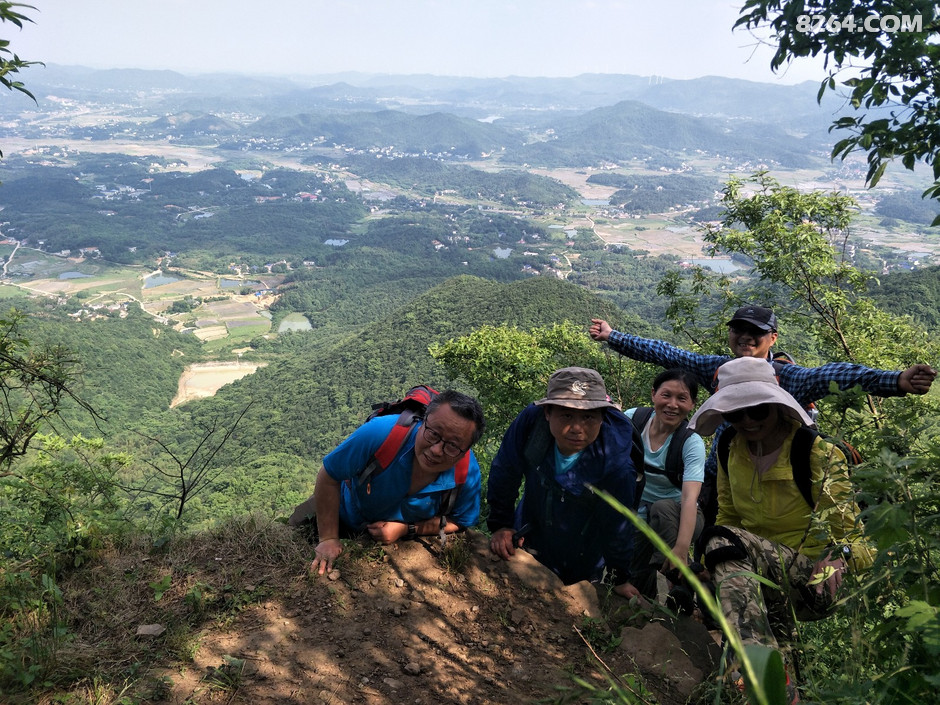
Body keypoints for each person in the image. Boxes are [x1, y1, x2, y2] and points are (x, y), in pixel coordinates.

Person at [590, 305, 937, 523]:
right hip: (724, 474)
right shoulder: (719, 369)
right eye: (738, 329)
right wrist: (613, 336)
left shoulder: (787, 376)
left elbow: (835, 375)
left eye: (755, 332)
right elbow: (666, 354)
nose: (745, 337)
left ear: (772, 337)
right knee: (715, 535)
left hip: (781, 483)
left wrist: (894, 381)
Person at [688, 357, 874, 698]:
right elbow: (728, 515)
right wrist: (713, 568)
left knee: (720, 544)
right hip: (759, 578)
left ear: (776, 406)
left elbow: (856, 540)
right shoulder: (730, 447)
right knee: (726, 553)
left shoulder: (817, 453)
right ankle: (784, 690)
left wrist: (840, 556)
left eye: (757, 410)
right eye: (734, 413)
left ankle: (753, 674)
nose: (746, 421)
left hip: (815, 584)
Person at [487, 367, 640, 598]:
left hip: (582, 552)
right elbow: (505, 470)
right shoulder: (532, 424)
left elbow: (618, 522)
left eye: (588, 417)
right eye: (566, 415)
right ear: (547, 412)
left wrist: (619, 576)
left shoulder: (615, 464)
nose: (577, 428)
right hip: (530, 530)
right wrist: (501, 525)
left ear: (603, 417)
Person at [308, 390, 485, 575]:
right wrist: (328, 538)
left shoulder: (466, 473)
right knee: (298, 526)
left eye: (453, 446)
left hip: (392, 541)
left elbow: (459, 520)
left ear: (465, 451)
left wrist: (407, 529)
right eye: (433, 433)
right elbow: (329, 475)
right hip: (342, 512)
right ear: (423, 422)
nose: (436, 450)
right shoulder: (380, 433)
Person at [627, 369, 706, 601]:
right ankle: (650, 603)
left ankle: (680, 581)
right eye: (666, 395)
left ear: (692, 404)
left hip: (680, 514)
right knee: (635, 571)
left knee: (661, 508)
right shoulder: (633, 420)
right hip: (638, 509)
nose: (672, 405)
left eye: (682, 398)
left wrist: (681, 549)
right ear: (653, 395)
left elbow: (690, 499)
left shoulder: (691, 442)